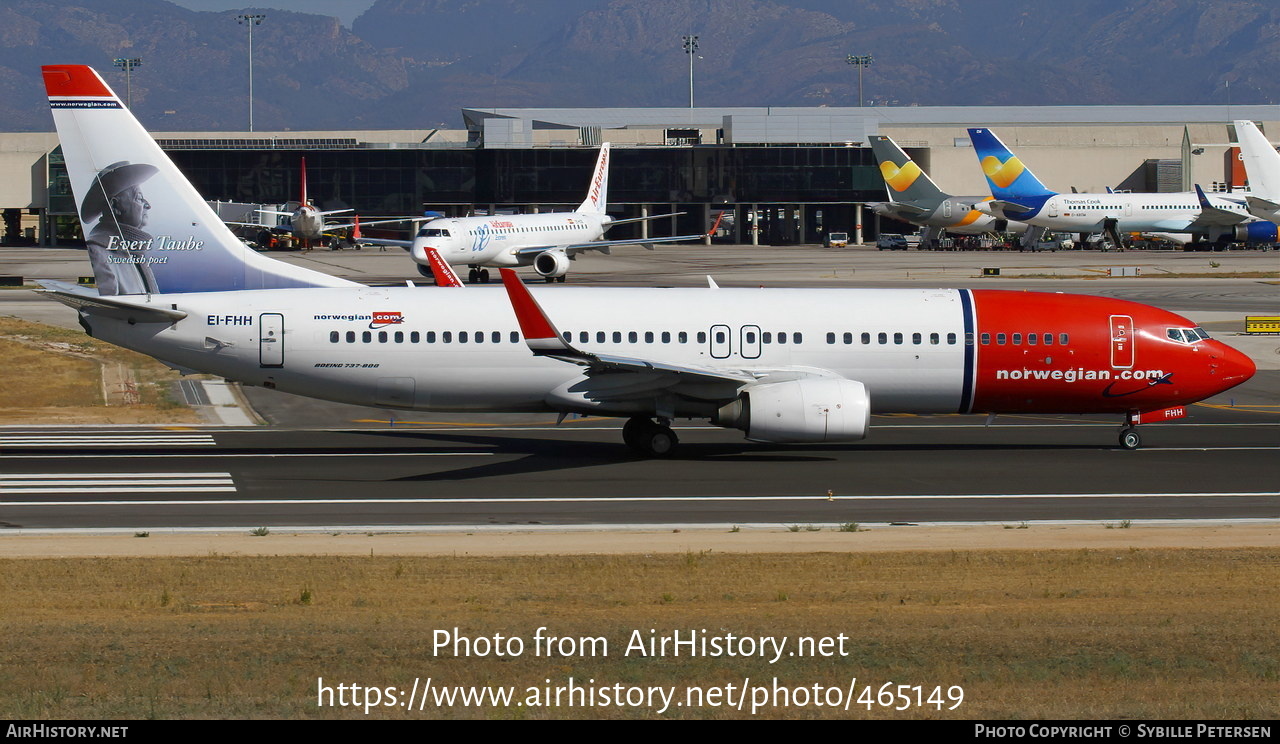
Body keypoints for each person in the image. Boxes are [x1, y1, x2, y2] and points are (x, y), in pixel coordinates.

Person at [80, 160, 159, 295]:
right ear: (115, 206)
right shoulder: (99, 252)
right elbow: (104, 311)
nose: (148, 205)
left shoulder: (132, 249)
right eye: (139, 198)